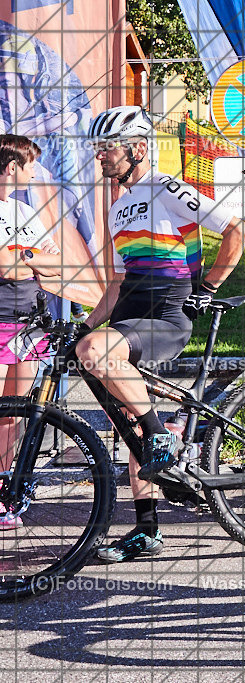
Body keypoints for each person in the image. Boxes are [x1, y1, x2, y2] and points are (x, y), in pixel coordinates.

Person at [77, 106, 245, 562]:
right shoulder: (116, 209)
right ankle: (147, 528)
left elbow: (237, 228)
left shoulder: (166, 187)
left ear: (137, 148)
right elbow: (116, 285)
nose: (101, 157)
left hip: (168, 315)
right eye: (97, 149)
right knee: (125, 418)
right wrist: (84, 325)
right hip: (130, 316)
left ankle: (162, 436)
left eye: (107, 148)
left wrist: (208, 286)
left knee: (98, 354)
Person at [0, 135, 64, 528]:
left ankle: (4, 489)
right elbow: (5, 268)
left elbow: (56, 264)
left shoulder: (25, 210)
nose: (34, 172)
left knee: (14, 413)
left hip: (28, 322)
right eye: (30, 165)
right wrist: (29, 259)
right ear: (10, 167)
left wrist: (22, 257)